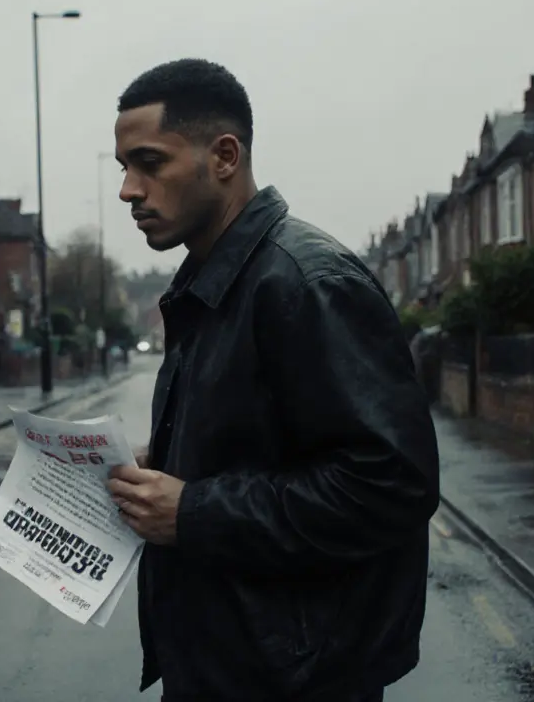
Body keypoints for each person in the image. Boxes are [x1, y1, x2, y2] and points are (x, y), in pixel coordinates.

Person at [105, 58, 440, 702]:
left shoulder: (308, 283)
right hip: (225, 661)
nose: (128, 189)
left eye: (149, 163)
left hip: (297, 678)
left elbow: (390, 484)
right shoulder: (213, 285)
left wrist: (193, 511)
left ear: (224, 156)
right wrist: (167, 464)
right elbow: (267, 444)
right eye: (124, 166)